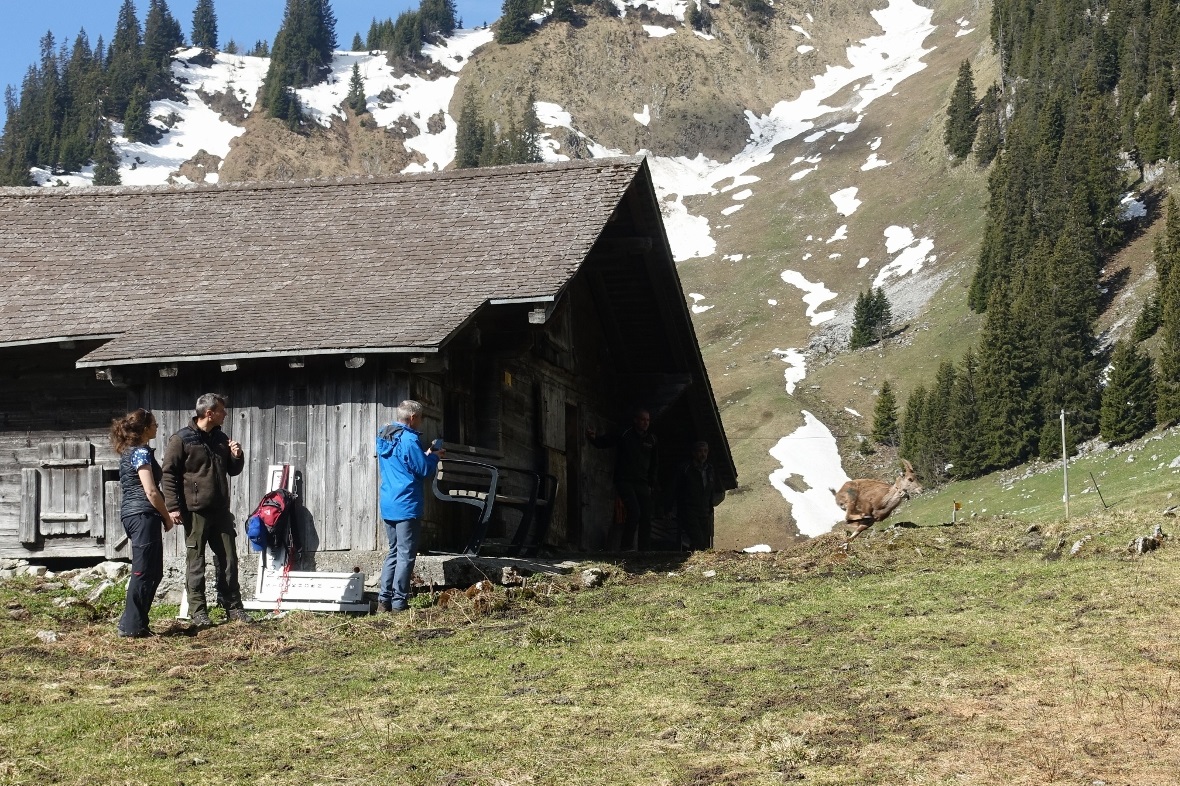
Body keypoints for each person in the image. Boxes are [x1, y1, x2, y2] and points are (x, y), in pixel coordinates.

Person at [161, 393, 249, 628]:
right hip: (195, 511)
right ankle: (199, 612)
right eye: (222, 410)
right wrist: (173, 507)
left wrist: (236, 456)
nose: (225, 414)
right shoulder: (181, 439)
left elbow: (232, 470)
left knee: (229, 559)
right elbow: (168, 474)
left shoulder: (221, 438)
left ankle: (233, 607)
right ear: (209, 413)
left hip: (220, 511)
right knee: (196, 562)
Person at [110, 409, 174, 638]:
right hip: (143, 515)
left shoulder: (131, 452)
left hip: (135, 514)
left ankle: (137, 623)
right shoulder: (140, 453)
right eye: (154, 423)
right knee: (144, 570)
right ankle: (131, 627)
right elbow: (151, 490)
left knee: (153, 571)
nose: (157, 427)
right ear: (145, 428)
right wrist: (166, 516)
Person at [376, 400, 444, 612]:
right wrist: (434, 457)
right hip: (406, 503)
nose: (421, 422)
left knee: (394, 552)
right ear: (413, 418)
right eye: (420, 418)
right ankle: (399, 602)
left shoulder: (385, 435)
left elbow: (404, 463)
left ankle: (383, 601)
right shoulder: (409, 439)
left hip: (389, 501)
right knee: (406, 554)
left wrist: (424, 456)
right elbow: (423, 470)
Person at [586, 408, 658, 551]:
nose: (645, 423)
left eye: (648, 420)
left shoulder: (652, 439)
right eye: (642, 419)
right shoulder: (625, 433)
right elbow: (606, 441)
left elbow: (654, 464)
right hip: (624, 480)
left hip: (642, 482)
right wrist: (594, 439)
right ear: (635, 420)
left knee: (646, 516)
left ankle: (645, 550)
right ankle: (626, 547)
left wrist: (651, 483)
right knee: (634, 512)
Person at [674, 441, 725, 551]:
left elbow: (713, 489)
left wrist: (710, 506)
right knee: (698, 540)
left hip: (705, 512)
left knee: (703, 543)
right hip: (690, 511)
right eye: (700, 451)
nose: (703, 454)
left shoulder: (710, 470)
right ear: (694, 453)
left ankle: (693, 557)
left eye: (705, 451)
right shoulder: (686, 469)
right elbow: (677, 489)